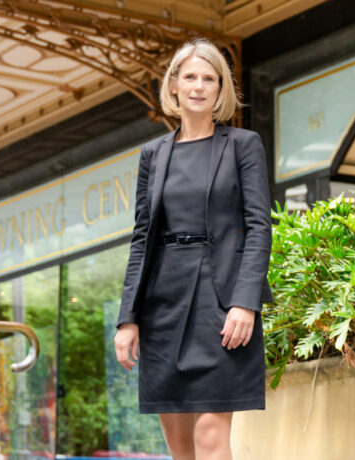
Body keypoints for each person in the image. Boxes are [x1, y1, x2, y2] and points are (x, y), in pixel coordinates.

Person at [113, 38, 273, 460]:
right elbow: (142, 237)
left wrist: (246, 302)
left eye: (209, 78)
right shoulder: (154, 155)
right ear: (174, 86)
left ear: (220, 89)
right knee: (180, 448)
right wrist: (127, 319)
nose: (199, 86)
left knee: (210, 438)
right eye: (190, 77)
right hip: (163, 305)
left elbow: (259, 228)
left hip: (221, 306)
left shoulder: (243, 144)